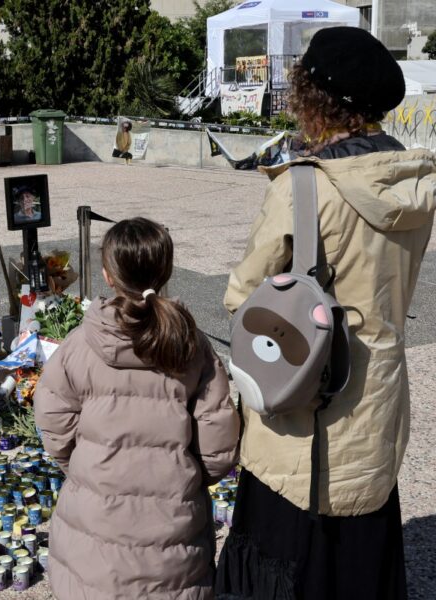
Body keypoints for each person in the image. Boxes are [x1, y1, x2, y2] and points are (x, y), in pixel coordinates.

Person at [216, 27, 436, 599]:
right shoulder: (414, 185)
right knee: (363, 538)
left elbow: (244, 300)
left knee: (289, 555)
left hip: (305, 406)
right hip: (379, 389)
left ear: (314, 99)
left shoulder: (304, 187)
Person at [34, 217, 240, 600]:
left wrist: (86, 471)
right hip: (173, 537)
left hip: (94, 530)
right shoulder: (193, 346)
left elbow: (52, 424)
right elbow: (220, 444)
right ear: (166, 271)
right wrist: (185, 481)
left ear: (108, 276)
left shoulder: (80, 345)